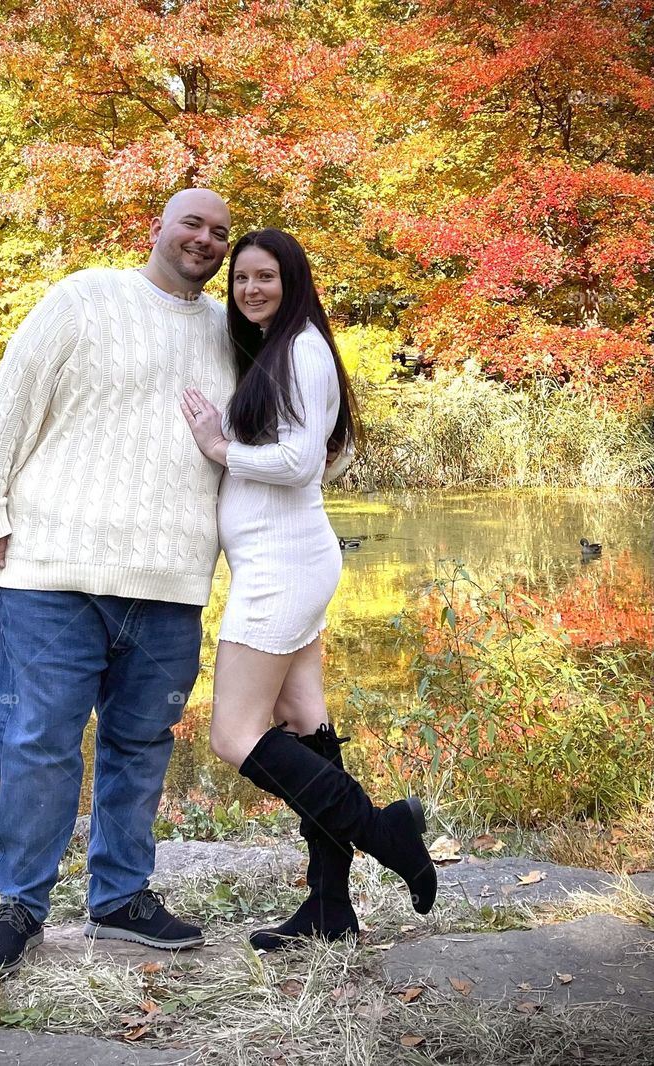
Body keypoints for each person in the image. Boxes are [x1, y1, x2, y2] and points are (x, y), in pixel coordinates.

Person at [0, 188, 235, 975]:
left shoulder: (231, 331)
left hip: (171, 579)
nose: (205, 240)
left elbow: (292, 422)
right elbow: (9, 401)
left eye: (220, 231)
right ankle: (20, 906)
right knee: (39, 741)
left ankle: (119, 901)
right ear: (157, 229)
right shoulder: (85, 298)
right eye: (192, 223)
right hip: (52, 569)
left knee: (142, 743)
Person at [179, 229, 437, 951]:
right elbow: (329, 449)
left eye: (266, 277)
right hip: (284, 559)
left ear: (294, 281)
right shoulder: (283, 351)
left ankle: (387, 833)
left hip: (281, 569)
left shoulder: (300, 350)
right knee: (302, 720)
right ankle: (328, 907)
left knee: (235, 734)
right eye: (242, 279)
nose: (252, 289)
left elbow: (297, 462)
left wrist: (219, 449)